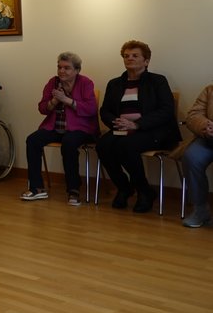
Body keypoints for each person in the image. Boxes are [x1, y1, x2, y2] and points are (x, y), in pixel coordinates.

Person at [97, 40, 179, 213]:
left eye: (135, 56)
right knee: (103, 145)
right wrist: (116, 122)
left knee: (126, 146)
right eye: (126, 56)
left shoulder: (158, 81)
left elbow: (166, 110)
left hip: (153, 131)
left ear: (146, 61)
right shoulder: (115, 83)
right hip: (122, 128)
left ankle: (144, 191)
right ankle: (124, 187)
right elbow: (105, 110)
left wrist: (137, 124)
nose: (130, 59)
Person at [20, 52, 98, 205]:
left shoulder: (85, 83)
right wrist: (55, 100)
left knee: (69, 143)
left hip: (80, 129)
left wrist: (66, 100)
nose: (62, 71)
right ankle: (37, 188)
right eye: (59, 67)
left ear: (76, 70)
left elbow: (91, 109)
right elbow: (42, 108)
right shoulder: (52, 82)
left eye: (67, 68)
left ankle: (73, 190)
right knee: (33, 140)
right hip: (55, 128)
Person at [181, 84, 213, 228]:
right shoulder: (210, 89)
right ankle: (200, 210)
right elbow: (193, 115)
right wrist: (206, 126)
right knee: (191, 157)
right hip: (209, 138)